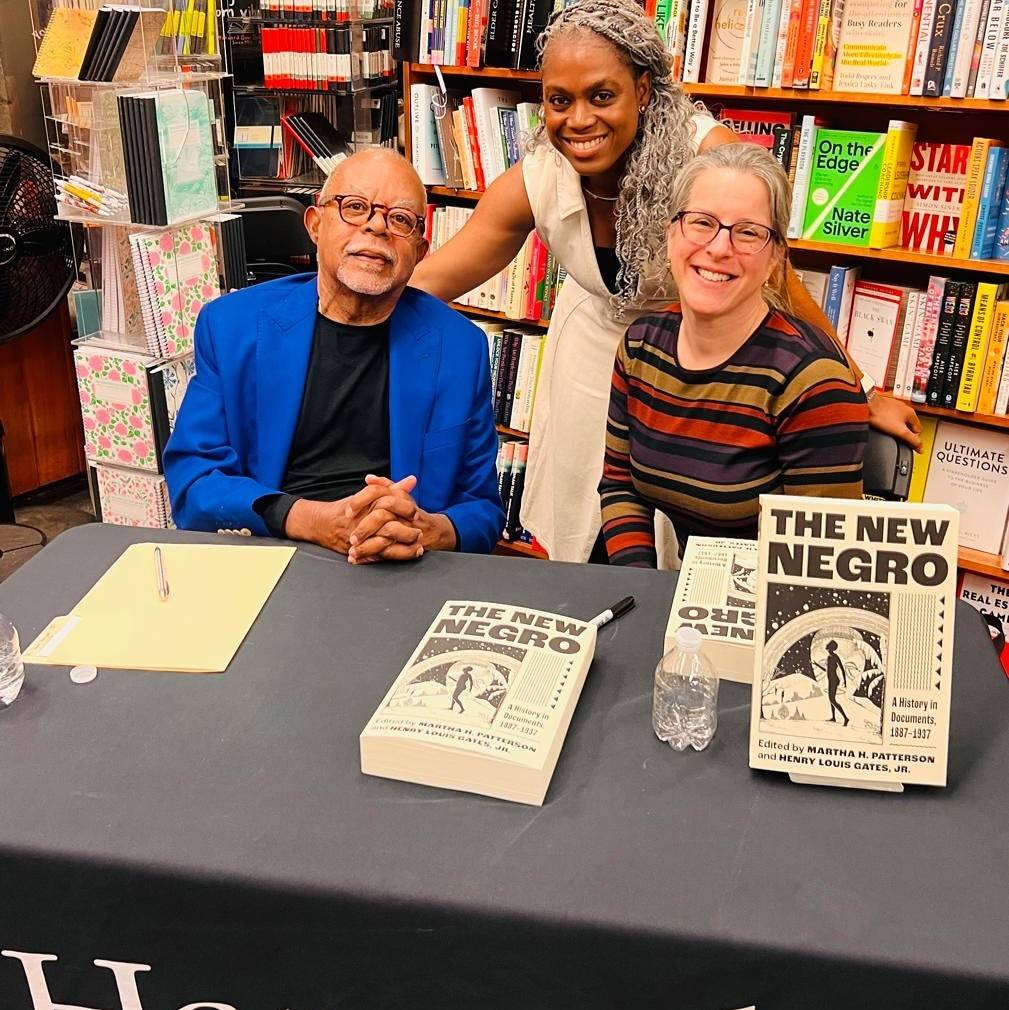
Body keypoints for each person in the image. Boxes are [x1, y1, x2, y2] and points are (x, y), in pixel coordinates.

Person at [410, 0, 921, 563]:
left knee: (691, 532)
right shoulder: (541, 171)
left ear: (644, 89)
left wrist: (859, 389)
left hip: (698, 361)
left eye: (602, 96)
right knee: (592, 525)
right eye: (560, 100)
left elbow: (776, 280)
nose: (579, 120)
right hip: (597, 359)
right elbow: (436, 276)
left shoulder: (706, 153)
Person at [164, 149, 505, 561]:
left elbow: (483, 510)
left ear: (420, 249)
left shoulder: (459, 347)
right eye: (355, 207)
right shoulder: (232, 326)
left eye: (399, 219)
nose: (377, 226)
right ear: (315, 224)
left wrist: (428, 531)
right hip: (276, 548)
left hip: (405, 564)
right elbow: (194, 481)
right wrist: (309, 519)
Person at [599, 144, 868, 567]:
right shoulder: (640, 347)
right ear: (671, 236)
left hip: (772, 608)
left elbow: (821, 563)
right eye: (702, 222)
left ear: (776, 256)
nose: (719, 248)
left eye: (747, 232)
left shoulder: (814, 381)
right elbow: (619, 486)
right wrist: (641, 586)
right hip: (683, 593)